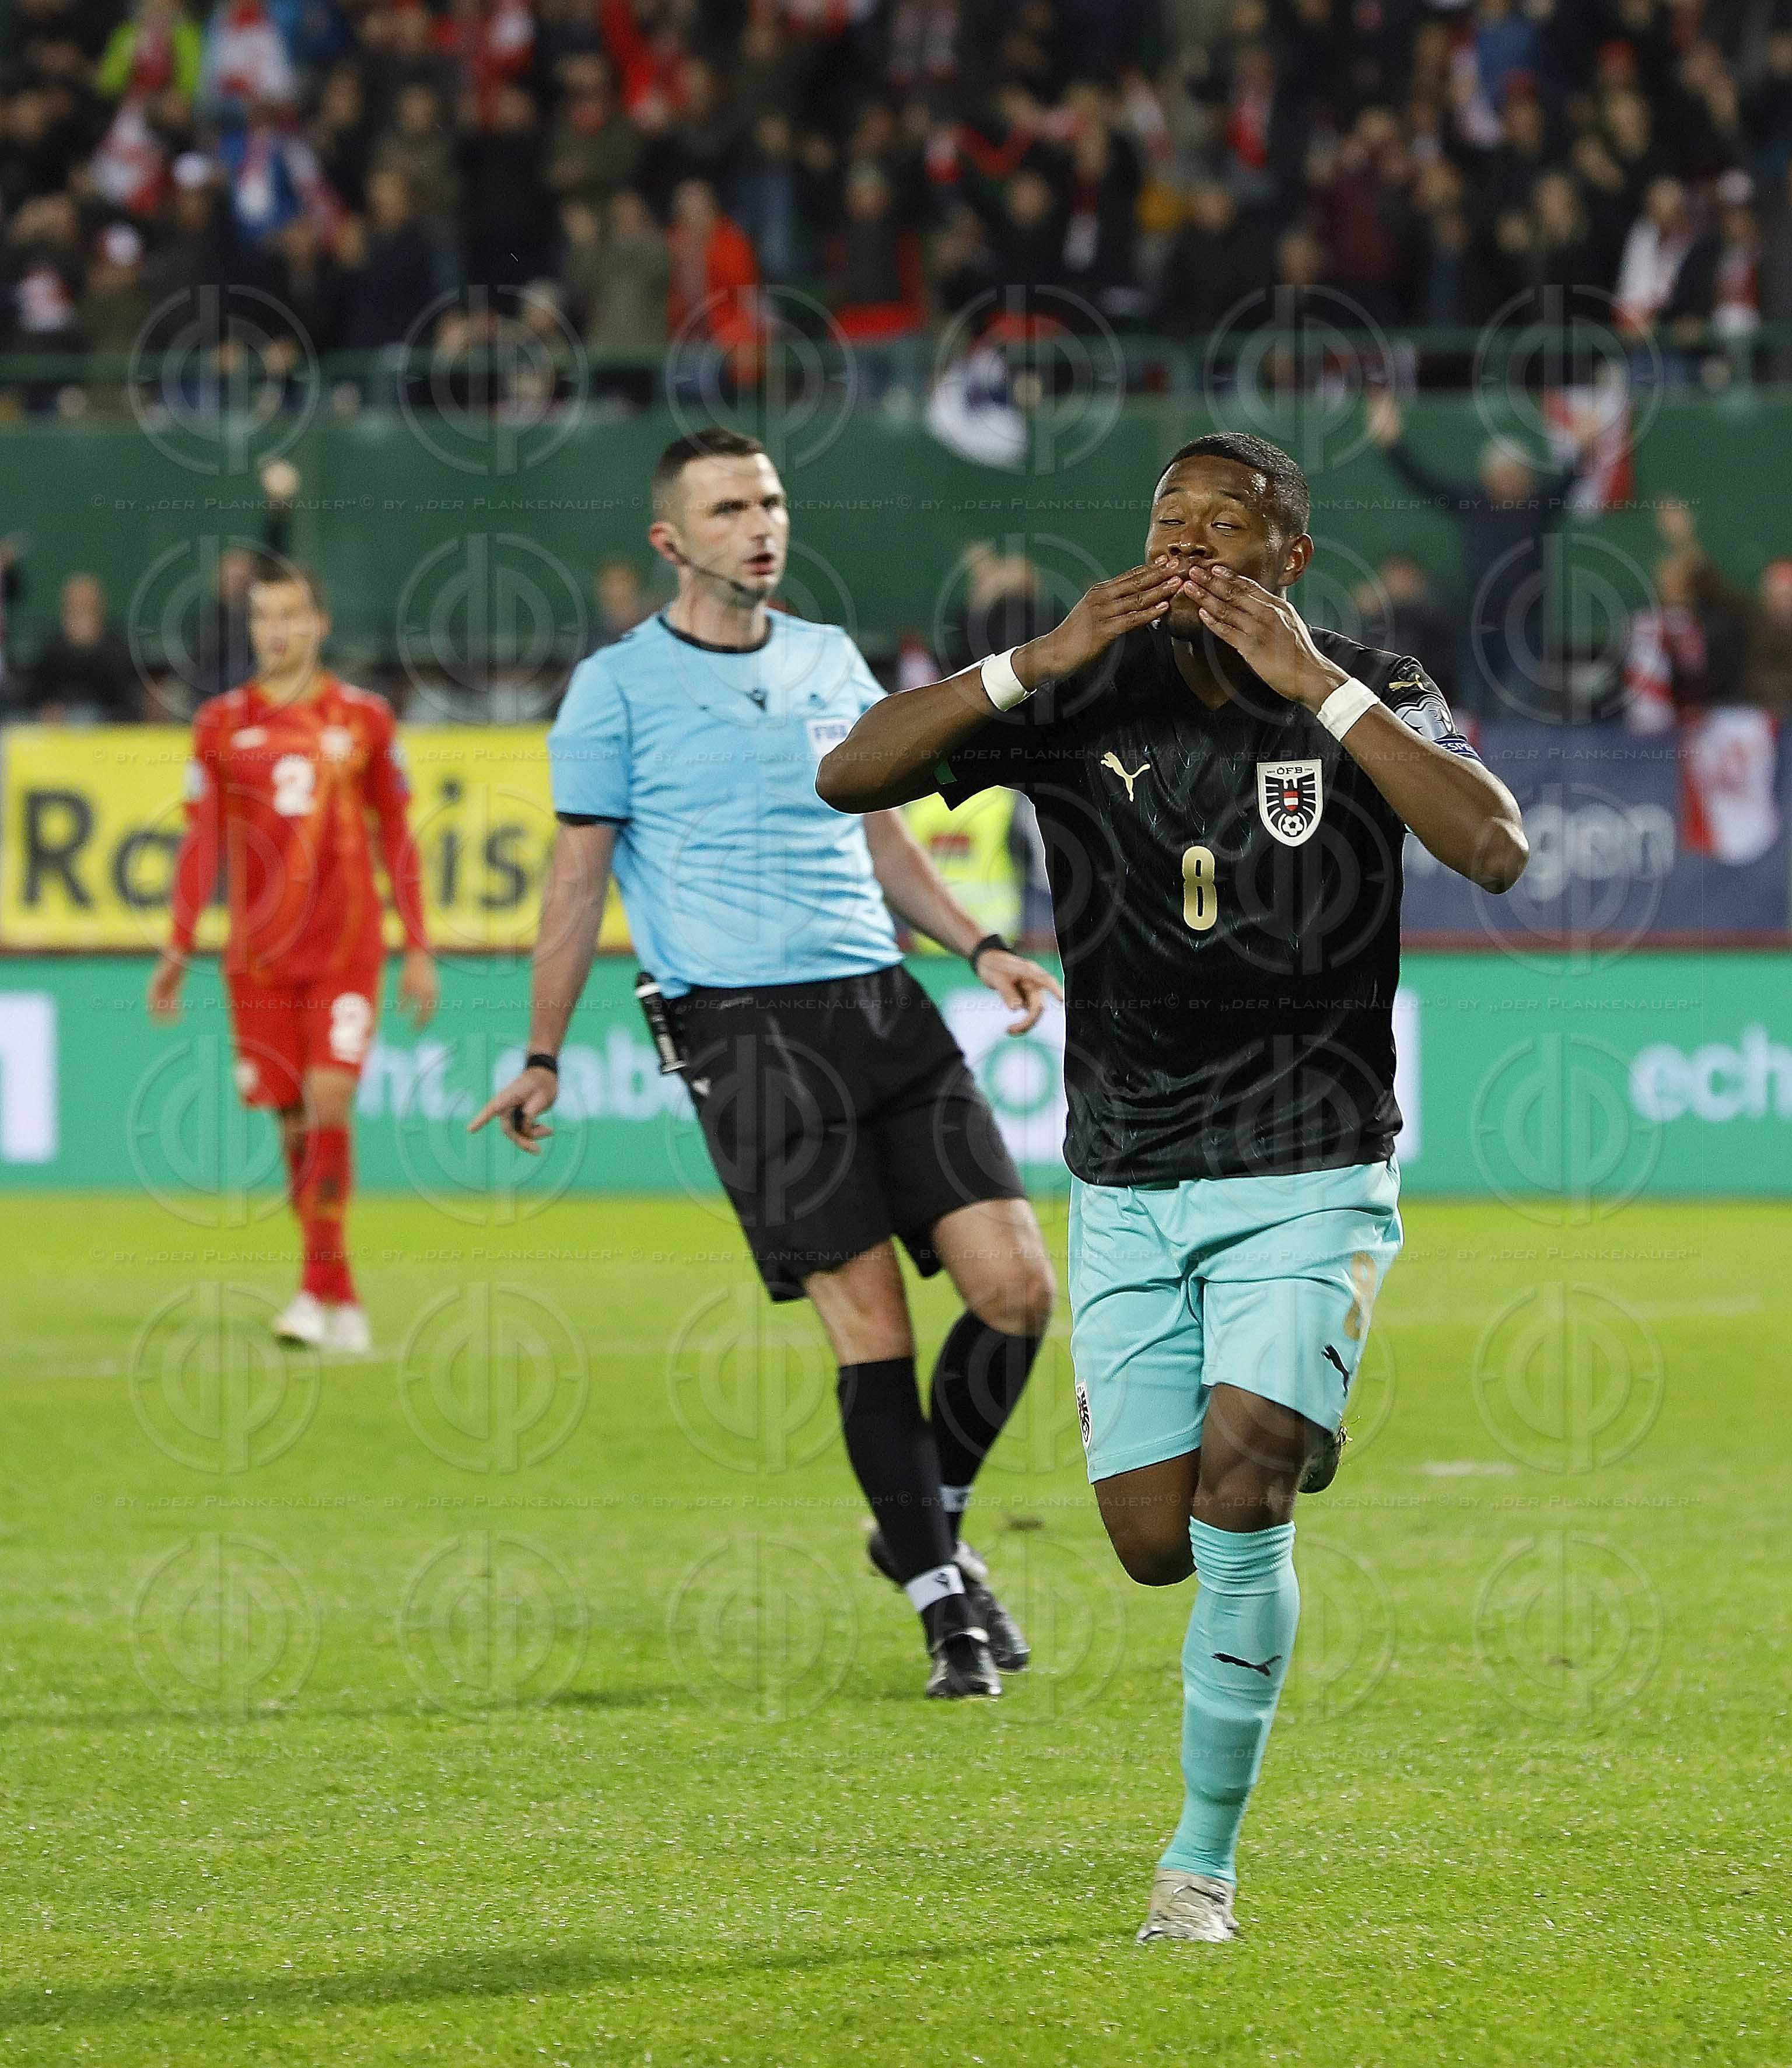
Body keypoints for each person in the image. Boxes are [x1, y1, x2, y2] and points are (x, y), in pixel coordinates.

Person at [817, 431, 1527, 1940]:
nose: (1194, 543)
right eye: (1171, 518)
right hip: (1132, 1174)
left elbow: (1495, 844)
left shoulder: (1368, 683)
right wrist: (1036, 655)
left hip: (1311, 1163)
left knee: (1245, 1487)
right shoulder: (1083, 680)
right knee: (1155, 1538)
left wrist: (1317, 687)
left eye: (1232, 524)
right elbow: (848, 772)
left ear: (1291, 559)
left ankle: (1197, 1869)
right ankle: (1276, 1424)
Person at [470, 427, 1060, 1702]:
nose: (761, 523)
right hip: (745, 1031)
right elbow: (577, 884)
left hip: (884, 1003)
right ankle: (941, 1605)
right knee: (876, 1333)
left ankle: (923, 1523)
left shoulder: (826, 658)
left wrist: (982, 943)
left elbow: (886, 838)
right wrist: (541, 1052)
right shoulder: (614, 687)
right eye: (730, 506)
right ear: (671, 540)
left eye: (773, 499)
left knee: (1016, 1286)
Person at [148, 561, 438, 1353]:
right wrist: (179, 945)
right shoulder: (219, 724)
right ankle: (336, 1288)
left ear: (320, 624)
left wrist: (418, 945)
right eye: (262, 618)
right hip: (259, 960)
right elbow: (201, 841)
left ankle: (313, 1293)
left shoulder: (366, 719)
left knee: (328, 1100)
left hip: (346, 950)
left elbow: (398, 837)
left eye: (290, 615)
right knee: (291, 1127)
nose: (276, 631)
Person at [1367, 389, 1587, 717]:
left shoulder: (1538, 507)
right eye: (1501, 472)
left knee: (1519, 710)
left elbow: (1571, 480)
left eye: (1515, 472)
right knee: (1475, 710)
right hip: (1479, 622)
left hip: (1525, 626)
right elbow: (1424, 482)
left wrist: (1585, 447)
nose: (1508, 479)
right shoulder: (1474, 503)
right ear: (1488, 475)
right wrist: (1392, 444)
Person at [17, 573, 139, 723]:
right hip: (59, 723)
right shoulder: (52, 644)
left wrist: (94, 645)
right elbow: (34, 693)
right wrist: (48, 710)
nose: (81, 610)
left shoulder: (116, 644)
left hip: (106, 722)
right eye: (76, 605)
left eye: (87, 605)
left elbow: (125, 695)